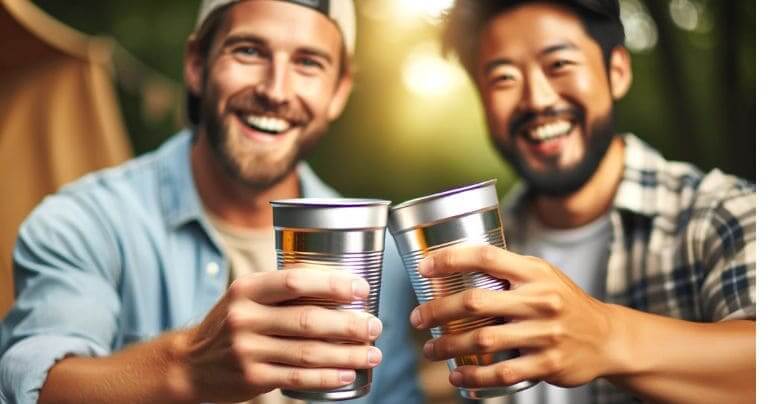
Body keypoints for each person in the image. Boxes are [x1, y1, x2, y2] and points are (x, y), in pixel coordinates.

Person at [0, 1, 422, 403]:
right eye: (249, 51)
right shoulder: (84, 223)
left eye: (308, 63)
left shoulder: (383, 255)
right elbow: (29, 385)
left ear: (338, 91)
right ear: (197, 64)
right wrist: (187, 367)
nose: (275, 90)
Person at [407, 1, 756, 403]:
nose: (536, 100)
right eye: (503, 78)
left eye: (559, 65)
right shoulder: (480, 254)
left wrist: (604, 334)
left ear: (618, 71)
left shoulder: (724, 213)